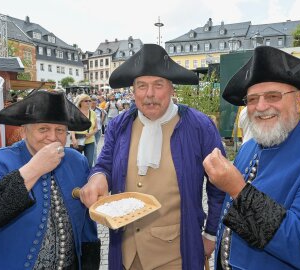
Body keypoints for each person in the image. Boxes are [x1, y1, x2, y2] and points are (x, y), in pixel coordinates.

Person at [203, 46, 300, 270]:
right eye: (252, 99)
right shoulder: (248, 149)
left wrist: (237, 189)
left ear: (298, 100)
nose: (261, 106)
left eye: (273, 96)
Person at [79, 44, 226, 270]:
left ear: (171, 88)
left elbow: (219, 186)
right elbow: (104, 164)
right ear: (133, 90)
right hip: (126, 252)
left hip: (176, 254)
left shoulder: (199, 126)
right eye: (141, 86)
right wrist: (97, 176)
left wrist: (211, 233)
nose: (149, 94)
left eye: (158, 85)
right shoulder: (119, 125)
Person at [0, 90, 101, 269]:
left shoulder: (76, 161)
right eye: (43, 129)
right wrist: (33, 169)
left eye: (60, 130)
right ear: (24, 131)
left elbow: (86, 223)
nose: (52, 137)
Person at [71, 94, 98, 167]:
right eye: (86, 101)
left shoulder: (93, 113)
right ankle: (78, 177)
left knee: (89, 163)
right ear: (81, 102)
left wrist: (91, 133)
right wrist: (73, 139)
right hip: (77, 140)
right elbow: (72, 127)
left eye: (90, 101)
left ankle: (86, 177)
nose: (89, 102)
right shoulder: (75, 113)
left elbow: (96, 128)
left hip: (90, 141)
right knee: (76, 162)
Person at [91, 95, 105, 165]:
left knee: (94, 146)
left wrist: (101, 123)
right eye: (92, 103)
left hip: (98, 130)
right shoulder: (88, 110)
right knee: (94, 146)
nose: (94, 104)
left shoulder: (99, 110)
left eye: (95, 103)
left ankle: (93, 161)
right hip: (92, 131)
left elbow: (103, 115)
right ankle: (95, 162)